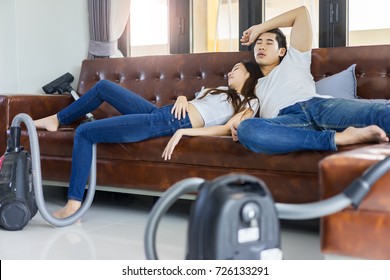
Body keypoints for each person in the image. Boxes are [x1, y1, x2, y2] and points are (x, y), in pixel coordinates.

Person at [34, 60, 262, 220]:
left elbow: (224, 129)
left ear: (249, 75)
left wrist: (185, 132)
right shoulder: (220, 89)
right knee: (103, 87)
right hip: (162, 113)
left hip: (170, 124)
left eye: (236, 69)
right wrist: (182, 97)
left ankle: (73, 204)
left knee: (85, 133)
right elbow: (192, 102)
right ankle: (57, 118)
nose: (230, 73)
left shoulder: (249, 102)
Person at [231, 6, 389, 155]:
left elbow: (301, 14)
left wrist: (259, 28)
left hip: (317, 106)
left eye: (268, 42)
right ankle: (338, 138)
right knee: (246, 129)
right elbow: (237, 103)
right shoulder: (253, 84)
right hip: (287, 121)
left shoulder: (295, 59)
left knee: (380, 114)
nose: (261, 46)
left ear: (282, 51)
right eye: (258, 43)